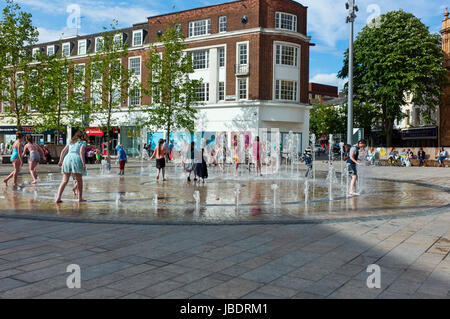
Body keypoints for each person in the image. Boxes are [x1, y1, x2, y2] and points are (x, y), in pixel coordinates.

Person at [55, 131, 87, 203]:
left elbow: (63, 151)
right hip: (76, 158)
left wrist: (60, 160)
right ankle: (80, 198)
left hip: (67, 158)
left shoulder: (70, 141)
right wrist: (83, 163)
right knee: (79, 180)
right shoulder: (82, 142)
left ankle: (58, 197)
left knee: (64, 180)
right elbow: (81, 152)